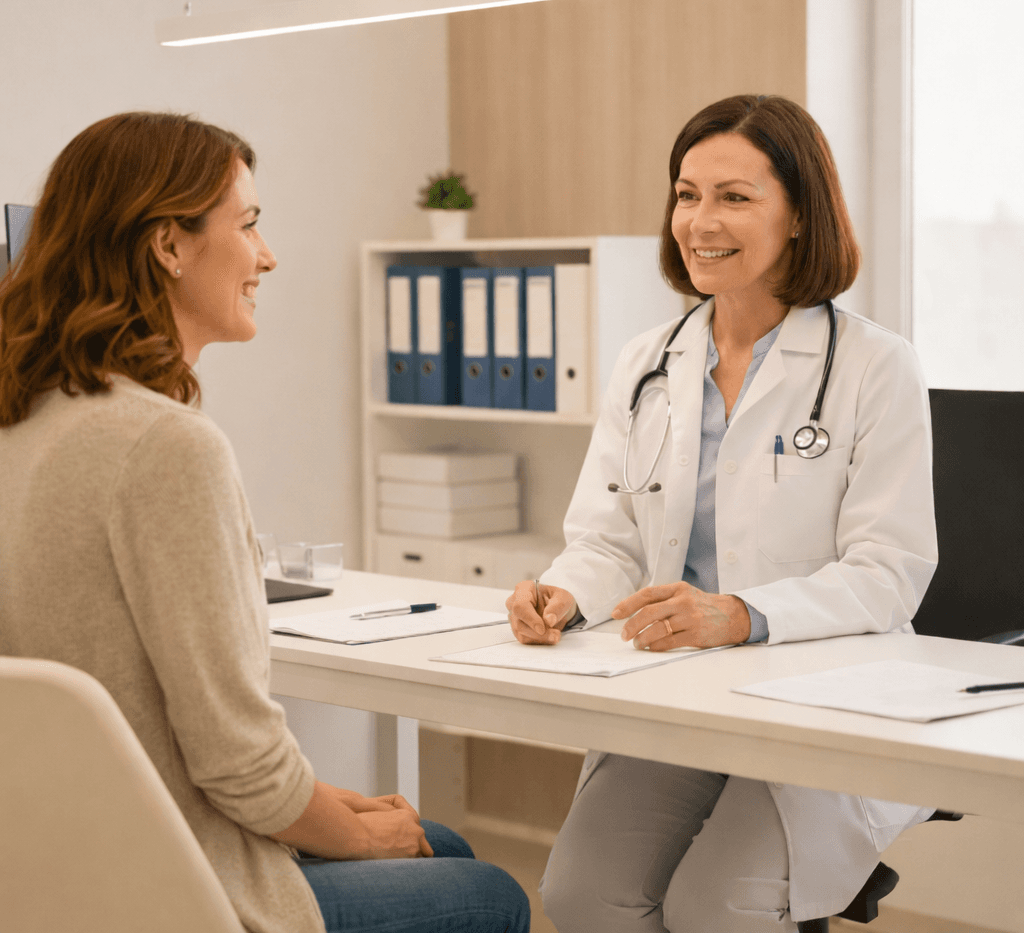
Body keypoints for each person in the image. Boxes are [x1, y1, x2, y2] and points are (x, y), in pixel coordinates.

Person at [0, 112, 529, 933]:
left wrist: (330, 810)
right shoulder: (165, 447)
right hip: (179, 884)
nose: (267, 255)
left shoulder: (24, 422)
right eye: (248, 225)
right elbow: (235, 761)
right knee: (488, 891)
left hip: (58, 868)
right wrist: (350, 830)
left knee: (438, 839)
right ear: (168, 245)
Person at [505, 94, 938, 931]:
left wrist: (741, 615)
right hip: (685, 690)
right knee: (581, 897)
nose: (701, 220)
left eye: (735, 197)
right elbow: (607, 538)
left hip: (823, 694)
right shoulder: (648, 363)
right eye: (686, 193)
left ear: (801, 217)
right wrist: (565, 594)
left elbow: (889, 573)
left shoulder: (876, 367)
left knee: (714, 908)